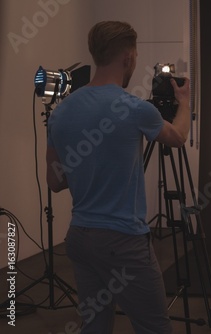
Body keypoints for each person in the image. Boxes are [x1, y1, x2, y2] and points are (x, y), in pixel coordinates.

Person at [46, 21, 191, 333]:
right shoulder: (136, 109)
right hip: (123, 241)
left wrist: (90, 168)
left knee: (95, 326)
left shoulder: (60, 112)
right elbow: (178, 137)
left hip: (81, 238)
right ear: (128, 58)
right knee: (154, 328)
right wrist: (185, 101)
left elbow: (55, 181)